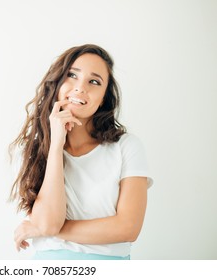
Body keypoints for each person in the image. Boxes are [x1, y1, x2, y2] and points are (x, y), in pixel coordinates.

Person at [9, 44, 153, 260]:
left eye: (94, 81)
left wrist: (44, 229)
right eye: (72, 75)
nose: (80, 88)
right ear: (57, 84)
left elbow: (128, 228)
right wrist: (56, 146)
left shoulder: (126, 147)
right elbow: (48, 221)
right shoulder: (31, 152)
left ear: (104, 97)